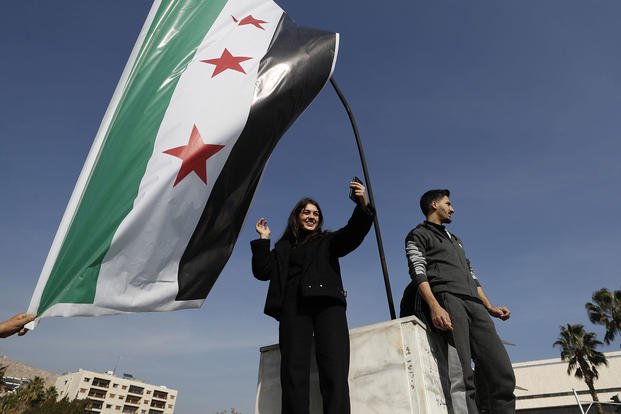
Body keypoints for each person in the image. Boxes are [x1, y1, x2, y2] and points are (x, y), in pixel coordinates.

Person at [251, 180, 374, 414]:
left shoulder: (327, 241)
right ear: (296, 216)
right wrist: (263, 239)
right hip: (293, 308)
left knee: (334, 370)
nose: (311, 216)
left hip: (328, 306)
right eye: (306, 212)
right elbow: (262, 271)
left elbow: (353, 233)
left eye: (316, 213)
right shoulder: (283, 248)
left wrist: (362, 205)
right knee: (293, 373)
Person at [404, 189, 515, 413]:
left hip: (475, 305)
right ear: (434, 205)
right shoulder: (418, 235)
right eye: (448, 203)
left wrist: (490, 306)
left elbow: (472, 275)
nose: (452, 208)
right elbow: (418, 272)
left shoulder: (455, 240)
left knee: (502, 373)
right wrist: (435, 306)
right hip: (449, 301)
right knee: (462, 378)